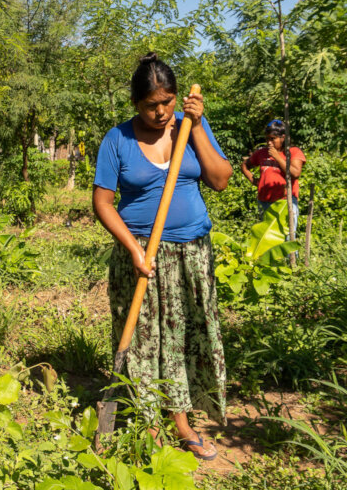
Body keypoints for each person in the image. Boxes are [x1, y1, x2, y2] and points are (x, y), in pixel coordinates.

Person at [92, 53, 233, 461]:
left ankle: (182, 421)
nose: (160, 112)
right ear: (136, 103)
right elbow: (102, 202)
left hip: (192, 254)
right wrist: (134, 250)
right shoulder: (116, 139)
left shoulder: (191, 127)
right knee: (144, 342)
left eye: (167, 102)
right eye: (152, 104)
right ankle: (150, 424)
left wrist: (197, 127)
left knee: (185, 338)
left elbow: (221, 180)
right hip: (142, 257)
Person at [240, 119, 305, 230]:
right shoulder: (261, 153)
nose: (269, 142)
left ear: (283, 138)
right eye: (267, 139)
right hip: (264, 201)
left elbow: (295, 173)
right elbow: (244, 165)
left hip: (285, 201)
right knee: (267, 235)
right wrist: (254, 181)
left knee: (287, 235)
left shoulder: (293, 152)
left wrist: (277, 157)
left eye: (273, 139)